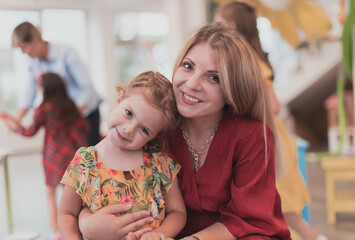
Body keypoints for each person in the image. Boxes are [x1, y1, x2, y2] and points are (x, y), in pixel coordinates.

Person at [77, 22, 291, 240]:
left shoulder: (251, 135)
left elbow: (249, 221)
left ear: (232, 89)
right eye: (188, 66)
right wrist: (86, 222)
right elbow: (101, 177)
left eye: (213, 77)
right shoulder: (154, 126)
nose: (192, 83)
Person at [214, 2, 328, 240]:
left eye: (218, 23)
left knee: (282, 203)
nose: (214, 28)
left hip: (270, 142)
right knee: (279, 205)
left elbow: (273, 105)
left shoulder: (252, 63)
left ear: (232, 26)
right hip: (268, 139)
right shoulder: (244, 59)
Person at [58, 71, 186, 240]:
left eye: (144, 130)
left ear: (155, 135)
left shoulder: (158, 162)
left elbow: (177, 212)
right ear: (119, 99)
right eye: (129, 113)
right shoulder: (85, 161)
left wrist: (159, 234)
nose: (129, 129)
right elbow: (67, 214)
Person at [0, 72, 89, 240]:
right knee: (70, 195)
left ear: (44, 89)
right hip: (71, 155)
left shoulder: (44, 109)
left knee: (50, 193)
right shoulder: (70, 105)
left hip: (53, 156)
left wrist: (13, 126)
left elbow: (29, 132)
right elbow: (83, 128)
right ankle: (72, 231)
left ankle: (56, 232)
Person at [12, 21, 102, 146]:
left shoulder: (65, 53)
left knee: (89, 157)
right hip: (65, 118)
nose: (24, 52)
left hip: (85, 113)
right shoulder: (34, 63)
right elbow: (29, 92)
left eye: (24, 47)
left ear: (36, 39)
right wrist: (18, 118)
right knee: (71, 159)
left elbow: (87, 87)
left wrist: (73, 115)